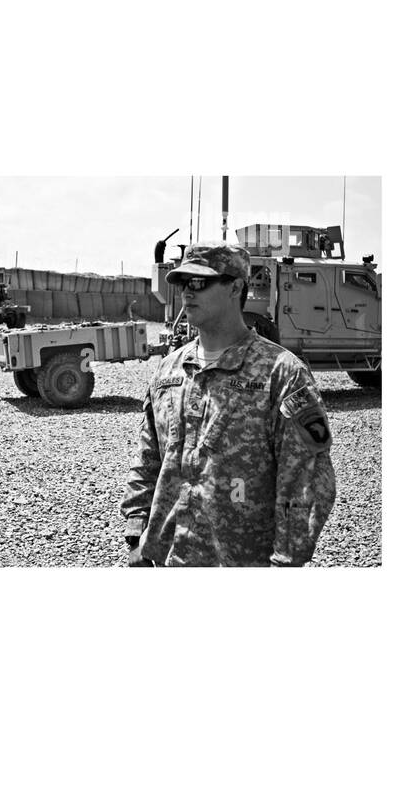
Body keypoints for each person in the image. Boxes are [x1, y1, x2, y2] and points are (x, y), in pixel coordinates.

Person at [121, 243, 336, 567]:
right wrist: (137, 533)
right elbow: (149, 455)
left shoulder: (281, 373)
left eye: (200, 282)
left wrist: (286, 561)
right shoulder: (170, 369)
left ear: (236, 287)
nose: (186, 293)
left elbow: (306, 480)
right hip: (168, 559)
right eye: (182, 283)